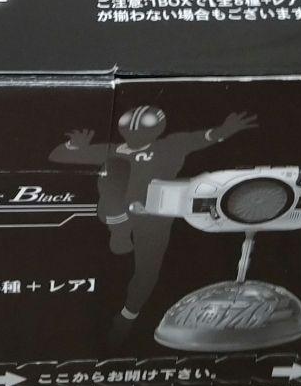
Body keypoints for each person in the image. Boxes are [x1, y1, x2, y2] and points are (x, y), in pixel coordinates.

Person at [50, 106, 257, 344]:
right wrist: (73, 146)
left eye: (140, 133)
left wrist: (224, 131)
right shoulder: (112, 150)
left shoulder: (169, 146)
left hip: (153, 217)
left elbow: (202, 137)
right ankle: (119, 230)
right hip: (117, 212)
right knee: (115, 166)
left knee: (147, 271)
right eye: (130, 133)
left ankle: (126, 317)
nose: (134, 139)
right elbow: (57, 155)